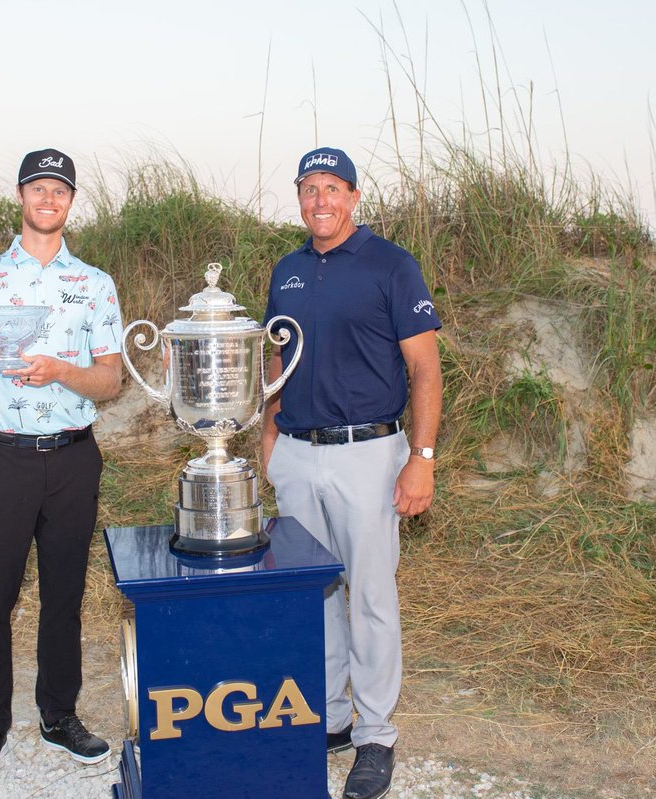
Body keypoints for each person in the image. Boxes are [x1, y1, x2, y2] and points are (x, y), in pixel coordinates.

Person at [0, 148, 123, 790]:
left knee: (63, 599)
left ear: (71, 202)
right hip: (1, 458)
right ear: (20, 196)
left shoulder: (95, 283)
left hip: (73, 458)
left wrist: (63, 370)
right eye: (38, 188)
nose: (49, 199)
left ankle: (58, 716)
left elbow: (110, 380)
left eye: (60, 190)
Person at [261, 147, 443, 799]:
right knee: (312, 591)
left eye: (332, 187)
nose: (320, 200)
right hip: (299, 454)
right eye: (309, 188)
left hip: (370, 453)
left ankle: (374, 733)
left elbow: (425, 370)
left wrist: (420, 460)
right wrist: (269, 437)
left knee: (368, 594)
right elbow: (276, 359)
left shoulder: (392, 265)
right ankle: (331, 719)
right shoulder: (286, 271)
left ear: (355, 196)